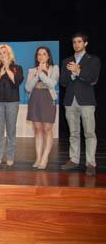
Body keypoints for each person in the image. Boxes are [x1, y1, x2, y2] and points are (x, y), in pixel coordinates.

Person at [60, 32, 101, 176]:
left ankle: (90, 163)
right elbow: (63, 82)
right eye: (74, 42)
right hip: (70, 101)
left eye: (79, 42)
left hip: (87, 102)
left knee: (89, 133)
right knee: (74, 133)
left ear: (85, 43)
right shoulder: (66, 61)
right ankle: (74, 160)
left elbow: (93, 79)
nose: (76, 44)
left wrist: (78, 71)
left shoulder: (93, 60)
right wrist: (72, 74)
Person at [0, 44, 24, 168]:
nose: (3, 55)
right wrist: (0, 74)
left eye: (5, 52)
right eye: (0, 53)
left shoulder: (17, 68)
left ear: (9, 54)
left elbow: (16, 81)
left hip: (12, 102)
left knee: (11, 130)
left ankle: (10, 156)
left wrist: (7, 69)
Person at [25, 47, 59, 170]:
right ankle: (38, 157)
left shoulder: (54, 68)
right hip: (35, 98)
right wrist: (36, 75)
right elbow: (28, 88)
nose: (41, 56)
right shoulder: (32, 70)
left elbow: (52, 84)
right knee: (38, 129)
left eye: (44, 54)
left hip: (47, 98)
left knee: (47, 128)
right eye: (39, 54)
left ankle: (45, 157)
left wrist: (42, 73)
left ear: (48, 56)